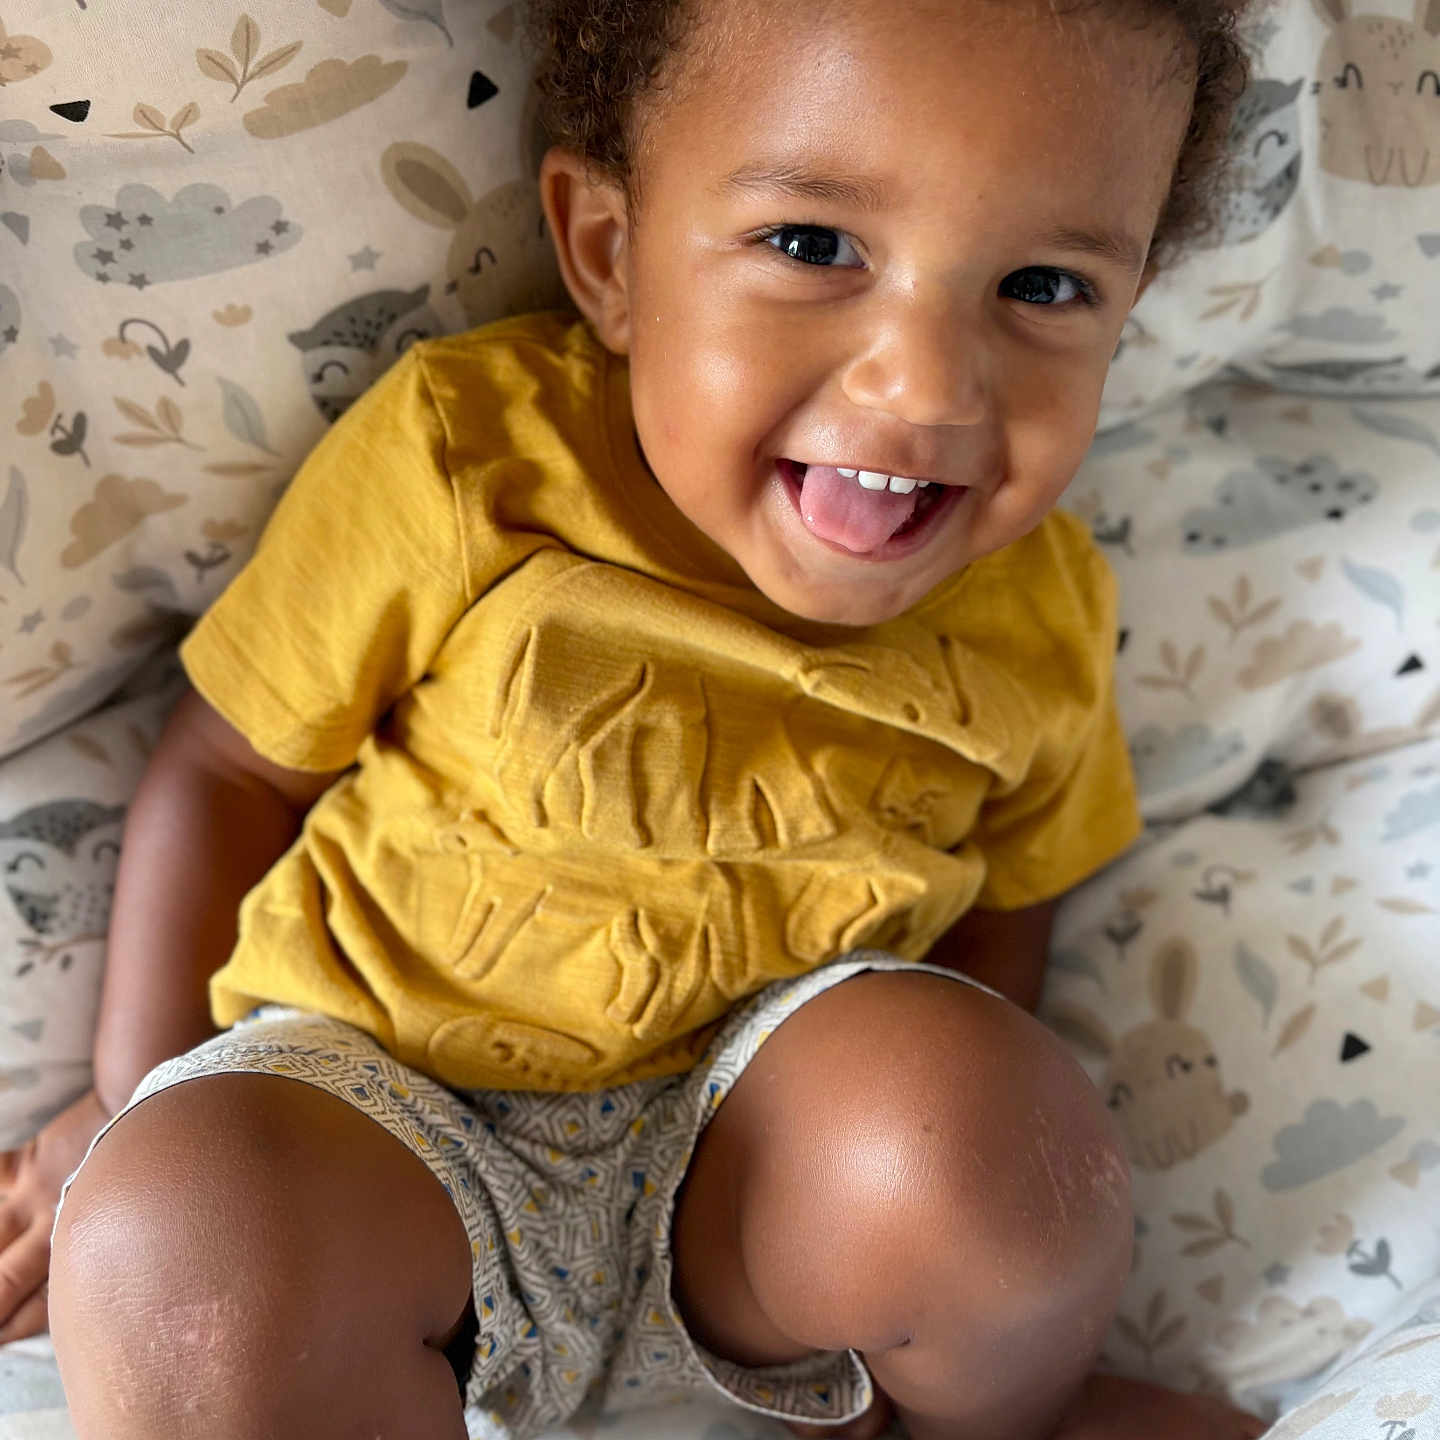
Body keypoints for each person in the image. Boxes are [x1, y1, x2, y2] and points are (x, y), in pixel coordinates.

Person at [6, 0, 1268, 1435]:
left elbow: (1014, 904)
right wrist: (139, 1103)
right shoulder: (472, 457)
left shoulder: (1036, 606)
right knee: (175, 1249)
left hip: (755, 1199)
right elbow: (230, 762)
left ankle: (988, 1421)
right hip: (384, 1124)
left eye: (1043, 285)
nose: (925, 385)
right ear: (609, 253)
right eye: (813, 247)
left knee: (1005, 1139)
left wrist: (960, 1194)